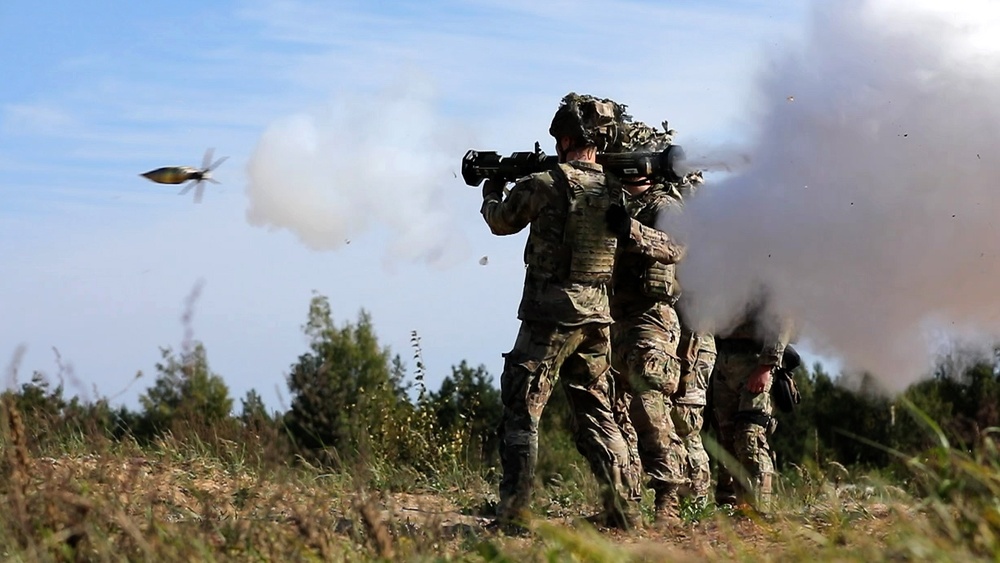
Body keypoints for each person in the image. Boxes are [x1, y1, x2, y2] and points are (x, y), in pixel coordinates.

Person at [481, 92, 644, 531]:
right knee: (597, 410)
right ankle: (625, 512)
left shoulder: (546, 184)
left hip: (550, 315)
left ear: (566, 136)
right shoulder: (615, 189)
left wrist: (492, 190)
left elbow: (501, 222)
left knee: (522, 410)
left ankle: (513, 515)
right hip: (597, 316)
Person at [710, 291, 795, 514]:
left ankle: (761, 510)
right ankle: (741, 508)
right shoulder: (724, 273)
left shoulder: (760, 270)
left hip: (755, 362)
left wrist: (766, 366)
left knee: (750, 438)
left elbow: (782, 317)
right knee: (726, 441)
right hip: (723, 361)